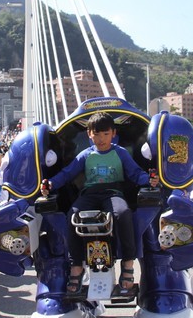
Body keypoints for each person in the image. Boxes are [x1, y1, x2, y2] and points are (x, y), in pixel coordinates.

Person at [41, 112, 159, 294]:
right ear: (89, 134)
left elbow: (135, 173)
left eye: (105, 134)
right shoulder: (85, 155)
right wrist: (50, 184)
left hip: (113, 193)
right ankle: (76, 266)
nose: (101, 138)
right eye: (96, 134)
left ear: (113, 133)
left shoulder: (120, 153)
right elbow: (67, 174)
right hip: (89, 194)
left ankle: (128, 262)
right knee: (73, 214)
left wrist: (148, 180)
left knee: (123, 213)